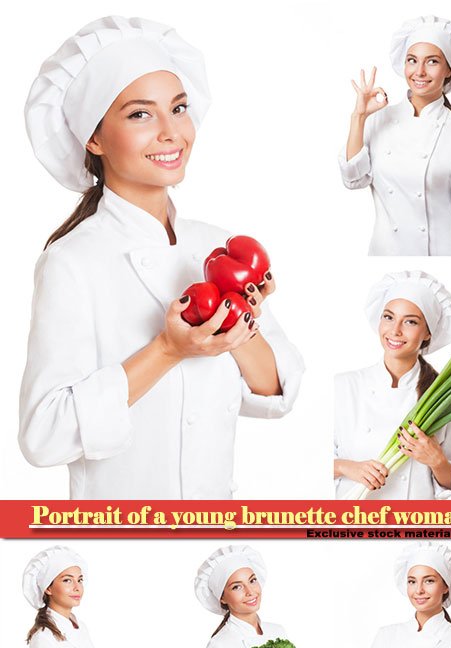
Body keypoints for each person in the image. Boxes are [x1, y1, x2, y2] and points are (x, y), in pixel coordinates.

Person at [19, 16, 303, 500]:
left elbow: (277, 391)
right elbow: (41, 437)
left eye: (179, 108)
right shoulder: (71, 263)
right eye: (140, 115)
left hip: (214, 521)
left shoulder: (218, 247)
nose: (173, 132)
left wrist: (240, 321)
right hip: (120, 531)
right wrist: (167, 350)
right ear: (94, 138)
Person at [339, 16, 451, 255]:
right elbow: (353, 179)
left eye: (432, 61)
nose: (419, 71)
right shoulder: (379, 119)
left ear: (449, 69)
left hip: (441, 257)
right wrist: (359, 116)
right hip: (385, 256)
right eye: (412, 60)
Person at [334, 270, 451, 498]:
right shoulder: (343, 386)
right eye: (388, 317)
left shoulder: (443, 396)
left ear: (428, 332)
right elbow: (305, 458)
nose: (395, 331)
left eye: (410, 321)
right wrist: (347, 467)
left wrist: (436, 461)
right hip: (352, 522)